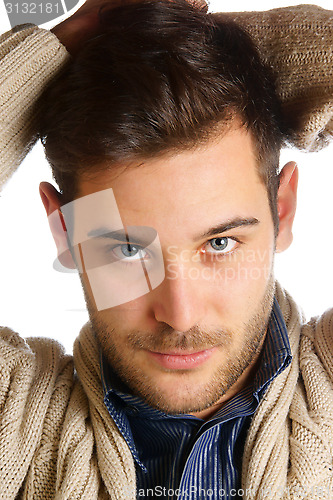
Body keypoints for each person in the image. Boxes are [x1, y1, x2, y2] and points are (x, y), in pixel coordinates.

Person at [0, 1, 332, 498]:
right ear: (64, 229)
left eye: (220, 243)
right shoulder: (14, 422)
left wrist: (212, 41)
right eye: (127, 250)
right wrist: (69, 39)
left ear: (282, 210)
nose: (179, 315)